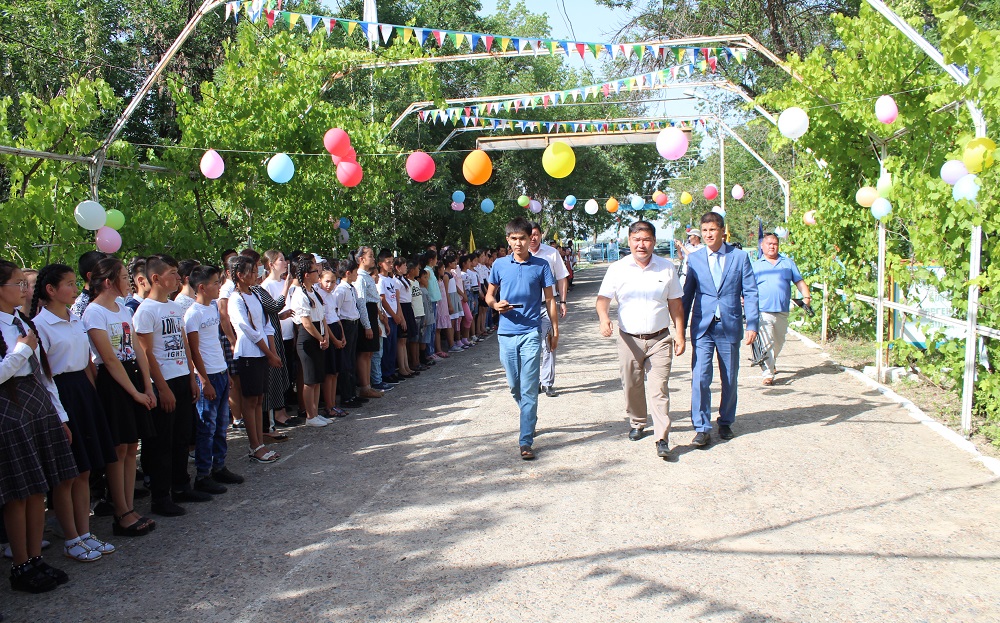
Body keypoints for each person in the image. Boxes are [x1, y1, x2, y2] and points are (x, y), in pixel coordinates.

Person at [0, 260, 78, 593]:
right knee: (18, 494)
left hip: (35, 405)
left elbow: (43, 374)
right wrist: (21, 350)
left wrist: (59, 414)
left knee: (37, 488)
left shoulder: (20, 320)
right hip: (9, 408)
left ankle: (34, 558)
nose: (24, 289)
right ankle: (20, 564)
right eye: (18, 283)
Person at [32, 265, 119, 561]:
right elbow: (43, 374)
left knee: (84, 469)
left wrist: (92, 392)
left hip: (82, 391)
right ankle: (70, 538)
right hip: (60, 393)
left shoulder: (75, 319)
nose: (74, 288)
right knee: (66, 474)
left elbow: (85, 361)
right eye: (68, 284)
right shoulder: (40, 325)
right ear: (51, 290)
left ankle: (84, 533)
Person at [596, 221, 685, 459]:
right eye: (636, 240)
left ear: (654, 241)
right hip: (629, 340)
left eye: (646, 240)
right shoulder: (617, 268)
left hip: (660, 339)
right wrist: (604, 319)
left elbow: (676, 303)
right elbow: (603, 299)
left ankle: (662, 437)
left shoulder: (666, 268)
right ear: (629, 241)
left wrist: (680, 333)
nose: (641, 245)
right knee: (632, 385)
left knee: (659, 389)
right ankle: (637, 422)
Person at [82, 258, 156, 536]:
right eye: (124, 277)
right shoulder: (94, 313)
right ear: (108, 282)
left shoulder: (123, 309)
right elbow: (109, 360)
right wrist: (135, 392)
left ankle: (129, 507)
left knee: (130, 446)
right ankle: (120, 511)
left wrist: (147, 386)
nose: (129, 281)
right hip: (114, 385)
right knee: (117, 449)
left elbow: (137, 347)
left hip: (133, 378)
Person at [132, 254, 208, 516]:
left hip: (181, 378)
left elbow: (184, 343)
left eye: (178, 273)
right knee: (162, 442)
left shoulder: (175, 307)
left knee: (182, 438)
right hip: (162, 381)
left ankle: (181, 485)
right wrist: (161, 387)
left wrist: (191, 375)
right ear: (156, 278)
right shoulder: (146, 311)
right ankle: (160, 497)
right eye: (172, 274)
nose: (177, 278)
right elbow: (145, 352)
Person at [682, 212, 759, 446]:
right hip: (703, 327)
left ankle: (725, 421)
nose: (708, 235)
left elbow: (751, 291)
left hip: (730, 325)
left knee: (729, 377)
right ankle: (702, 427)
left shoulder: (740, 257)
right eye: (704, 231)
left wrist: (752, 323)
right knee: (701, 376)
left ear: (722, 231)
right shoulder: (694, 259)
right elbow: (687, 296)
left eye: (712, 230)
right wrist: (679, 330)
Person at [485, 217, 557, 461]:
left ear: (531, 239)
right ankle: (530, 415)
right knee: (514, 386)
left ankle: (525, 441)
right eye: (514, 238)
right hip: (505, 333)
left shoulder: (542, 266)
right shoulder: (499, 265)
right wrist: (496, 305)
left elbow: (549, 299)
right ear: (508, 240)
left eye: (523, 238)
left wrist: (554, 330)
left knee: (528, 388)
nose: (518, 243)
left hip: (531, 334)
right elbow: (489, 296)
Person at [184, 265, 244, 494]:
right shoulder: (193, 314)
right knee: (206, 427)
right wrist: (204, 380)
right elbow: (194, 350)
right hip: (206, 377)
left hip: (219, 372)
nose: (219, 286)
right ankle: (203, 474)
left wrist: (225, 371)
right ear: (202, 287)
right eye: (215, 282)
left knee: (221, 425)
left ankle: (219, 466)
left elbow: (215, 344)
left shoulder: (211, 308)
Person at [228, 255, 283, 461]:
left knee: (260, 399)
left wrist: (272, 351)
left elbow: (266, 324)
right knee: (250, 400)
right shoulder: (236, 299)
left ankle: (260, 441)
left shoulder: (256, 294)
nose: (255, 275)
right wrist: (269, 353)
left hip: (262, 353)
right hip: (249, 353)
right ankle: (254, 445)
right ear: (240, 275)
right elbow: (247, 329)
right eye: (251, 272)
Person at [752, 233, 811, 385]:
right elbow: (748, 287)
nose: (772, 246)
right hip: (763, 310)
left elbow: (799, 281)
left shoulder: (788, 263)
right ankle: (768, 374)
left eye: (775, 243)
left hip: (782, 310)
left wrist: (806, 297)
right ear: (762, 246)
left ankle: (771, 361)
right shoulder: (756, 265)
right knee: (767, 342)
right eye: (769, 243)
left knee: (778, 342)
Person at [529, 222, 570, 397]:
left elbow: (561, 278)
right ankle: (534, 381)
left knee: (549, 343)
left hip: (547, 304)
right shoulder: (519, 255)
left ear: (540, 235)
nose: (533, 238)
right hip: (527, 308)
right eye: (529, 234)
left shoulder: (551, 253)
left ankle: (547, 383)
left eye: (536, 234)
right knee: (530, 346)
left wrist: (563, 301)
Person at [289, 256, 329, 427]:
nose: (317, 273)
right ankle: (310, 415)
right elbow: (305, 322)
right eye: (314, 271)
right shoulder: (299, 294)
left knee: (318, 377)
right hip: (308, 337)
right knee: (309, 379)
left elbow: (322, 317)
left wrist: (325, 335)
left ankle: (316, 412)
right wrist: (320, 337)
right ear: (306, 274)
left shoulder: (314, 291)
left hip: (319, 333)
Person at [70, 250, 106, 317]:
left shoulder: (110, 299)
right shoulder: (80, 306)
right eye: (105, 271)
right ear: (90, 276)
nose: (110, 275)